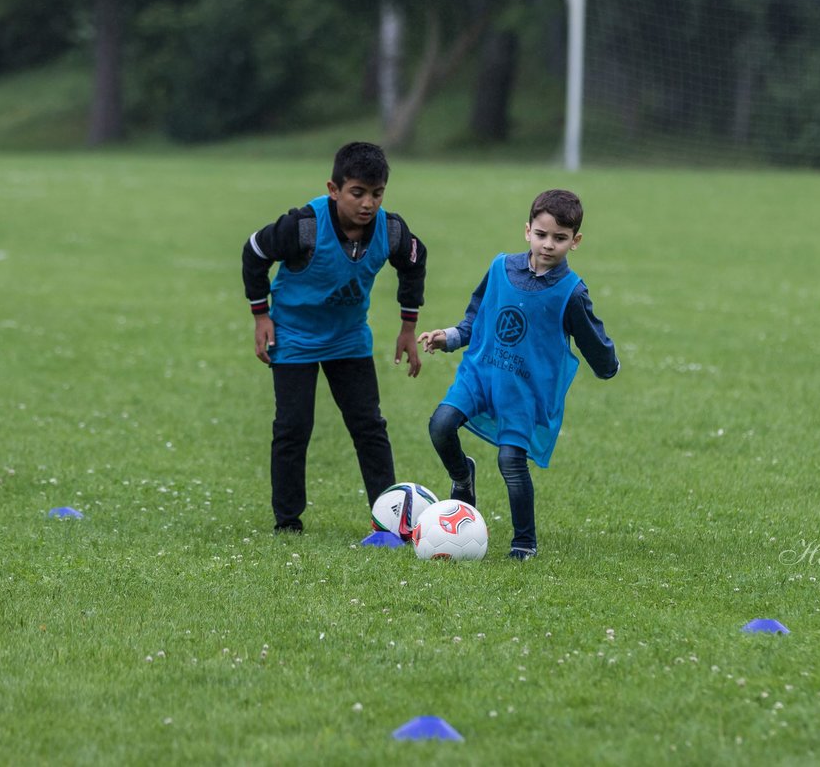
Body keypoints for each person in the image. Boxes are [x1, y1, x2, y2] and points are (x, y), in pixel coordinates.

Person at [418, 189, 618, 559]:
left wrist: (609, 366)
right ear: (527, 230)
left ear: (575, 242)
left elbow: (594, 339)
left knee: (511, 461)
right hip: (481, 374)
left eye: (560, 238)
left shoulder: (571, 293)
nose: (548, 244)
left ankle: (524, 541)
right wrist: (449, 337)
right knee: (441, 425)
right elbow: (477, 318)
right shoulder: (500, 268)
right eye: (542, 235)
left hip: (524, 391)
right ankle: (463, 478)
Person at [242, 141, 426, 534]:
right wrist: (261, 317)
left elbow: (414, 261)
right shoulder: (303, 226)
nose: (368, 204)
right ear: (333, 189)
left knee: (369, 427)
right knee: (293, 428)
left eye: (377, 194)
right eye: (357, 193)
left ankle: (390, 521)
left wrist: (408, 327)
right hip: (293, 337)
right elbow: (254, 252)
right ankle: (287, 522)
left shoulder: (392, 230)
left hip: (348, 339)